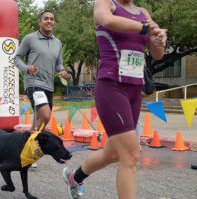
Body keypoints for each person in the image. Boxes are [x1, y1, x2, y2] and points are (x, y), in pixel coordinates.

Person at [62, 0, 167, 199]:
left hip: (134, 90)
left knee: (113, 153)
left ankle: (74, 177)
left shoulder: (142, 12)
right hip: (111, 87)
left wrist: (159, 39)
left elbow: (157, 54)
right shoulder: (106, 3)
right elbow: (104, 19)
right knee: (131, 156)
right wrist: (145, 27)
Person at [14, 10, 68, 132]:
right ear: (40, 22)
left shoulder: (58, 42)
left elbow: (58, 64)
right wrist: (26, 68)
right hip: (34, 84)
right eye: (46, 18)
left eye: (52, 19)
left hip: (49, 86)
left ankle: (29, 142)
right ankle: (30, 142)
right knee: (45, 115)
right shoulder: (30, 38)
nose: (49, 21)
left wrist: (63, 71)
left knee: (41, 119)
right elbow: (17, 58)